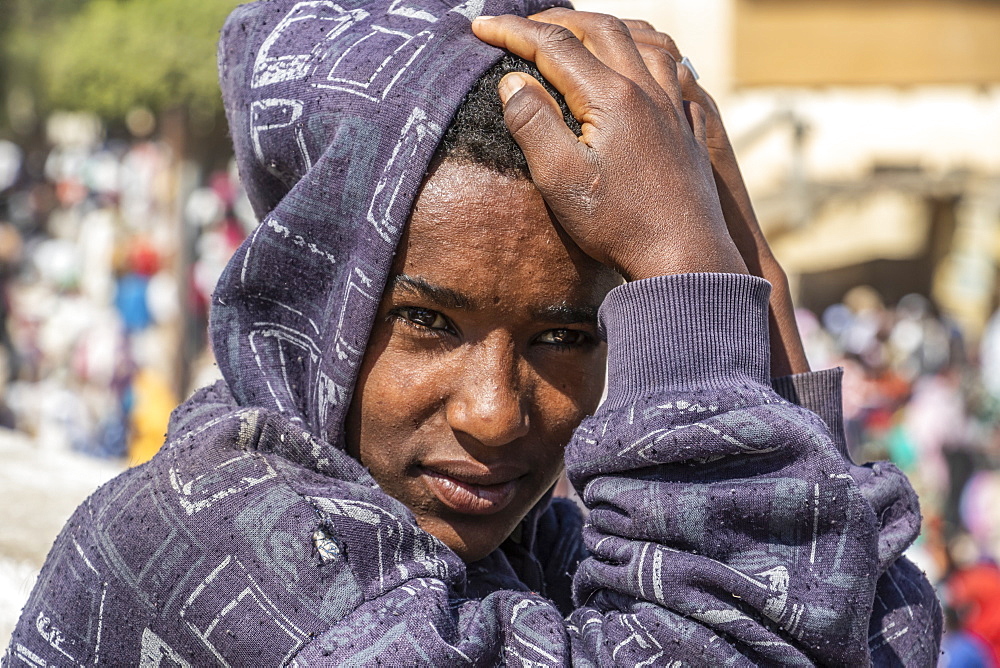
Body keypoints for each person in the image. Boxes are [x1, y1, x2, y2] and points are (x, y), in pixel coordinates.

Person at [6, 1, 941, 665]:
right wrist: (685, 269)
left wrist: (754, 331)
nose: (496, 416)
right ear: (314, 302)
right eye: (425, 322)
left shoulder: (536, 557)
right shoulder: (214, 536)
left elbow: (864, 634)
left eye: (565, 337)